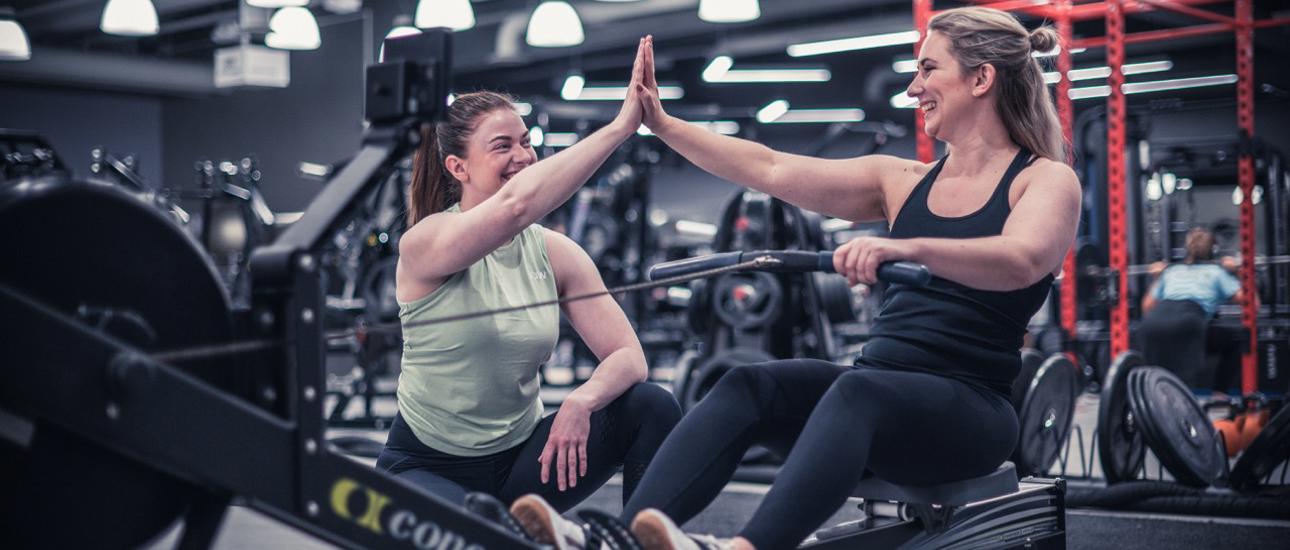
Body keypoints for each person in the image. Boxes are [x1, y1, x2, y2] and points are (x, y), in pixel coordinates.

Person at [509, 7, 1082, 550]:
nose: (913, 88)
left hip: (970, 414)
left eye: (929, 69)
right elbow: (770, 167)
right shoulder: (903, 180)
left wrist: (905, 248)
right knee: (748, 384)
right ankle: (624, 538)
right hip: (877, 395)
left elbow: (1022, 259)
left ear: (981, 79)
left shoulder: (1043, 180)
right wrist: (661, 124)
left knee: (858, 391)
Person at [377, 38, 681, 522]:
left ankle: (643, 539)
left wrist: (582, 400)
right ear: (458, 167)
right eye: (502, 146)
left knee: (651, 407)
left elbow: (629, 356)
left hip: (523, 464)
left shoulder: (556, 253)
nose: (522, 155)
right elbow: (517, 206)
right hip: (427, 466)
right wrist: (621, 127)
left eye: (525, 141)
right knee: (485, 532)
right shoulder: (426, 242)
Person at [1140, 226, 1247, 388]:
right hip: (1188, 321)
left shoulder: (1172, 271)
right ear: (1214, 250)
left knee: (1155, 381)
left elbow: (1147, 307)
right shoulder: (1216, 272)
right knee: (1238, 338)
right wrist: (1239, 271)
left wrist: (1157, 277)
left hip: (1153, 323)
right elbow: (1252, 303)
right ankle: (1220, 395)